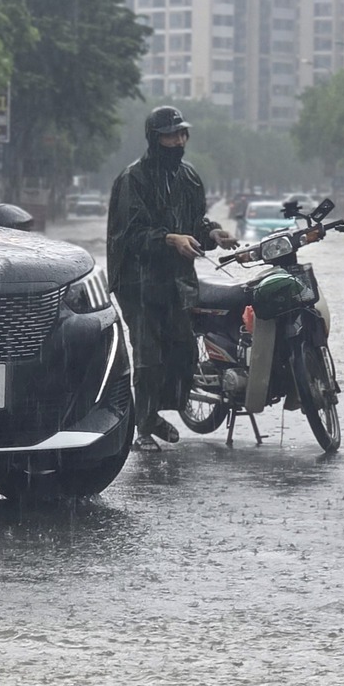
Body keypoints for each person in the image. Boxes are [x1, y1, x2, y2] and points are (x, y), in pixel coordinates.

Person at [105, 105, 233, 449]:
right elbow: (129, 236)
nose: (177, 141)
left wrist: (214, 234)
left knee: (183, 353)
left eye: (181, 134)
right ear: (154, 139)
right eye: (170, 136)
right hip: (137, 282)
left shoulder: (189, 177)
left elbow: (195, 224)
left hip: (175, 280)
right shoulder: (134, 179)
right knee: (148, 356)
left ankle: (156, 413)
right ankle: (143, 428)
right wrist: (167, 239)